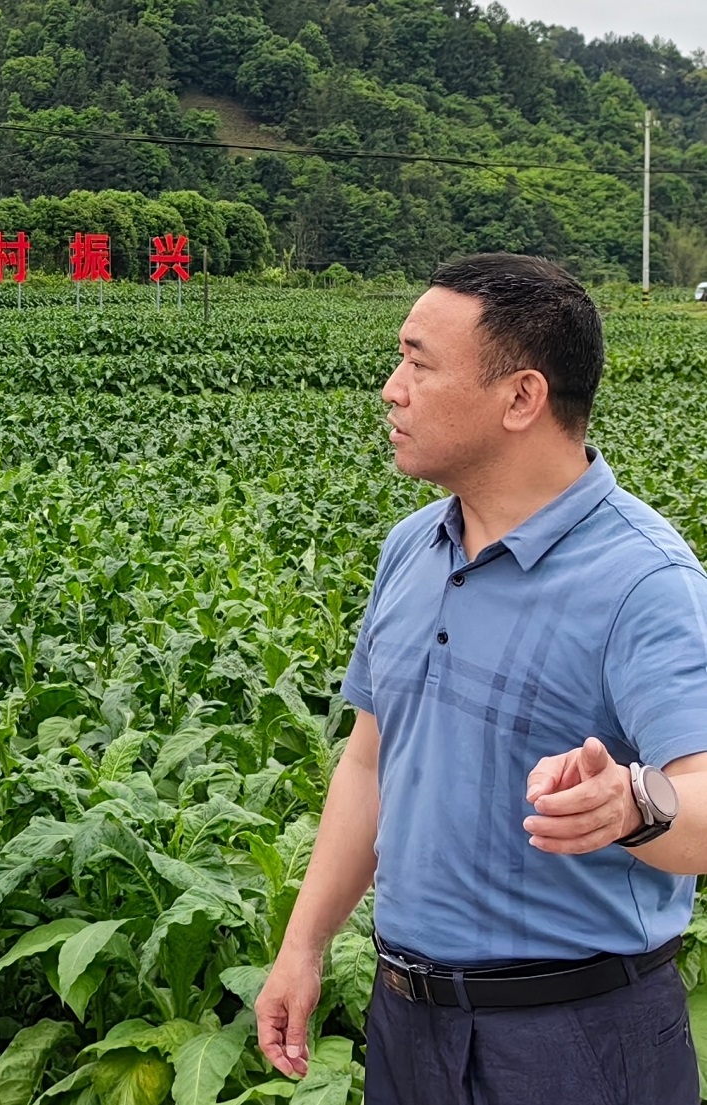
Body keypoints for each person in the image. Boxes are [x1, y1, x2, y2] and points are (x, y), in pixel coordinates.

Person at [255, 253, 707, 1104]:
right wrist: (303, 943)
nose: (391, 389)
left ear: (521, 397)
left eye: (418, 364)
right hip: (408, 1021)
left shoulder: (643, 581)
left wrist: (632, 805)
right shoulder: (411, 548)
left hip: (575, 1037)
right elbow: (369, 761)